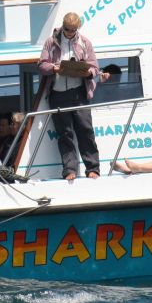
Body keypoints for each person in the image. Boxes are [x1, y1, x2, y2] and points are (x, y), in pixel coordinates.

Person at [38, 12, 106, 180]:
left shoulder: (85, 42)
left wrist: (87, 72)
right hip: (58, 94)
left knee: (86, 130)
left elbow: (95, 67)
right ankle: (69, 170)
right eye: (67, 29)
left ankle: (93, 168)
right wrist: (54, 68)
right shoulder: (51, 42)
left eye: (73, 30)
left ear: (78, 28)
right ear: (63, 26)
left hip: (79, 93)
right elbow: (41, 65)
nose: (69, 33)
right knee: (65, 133)